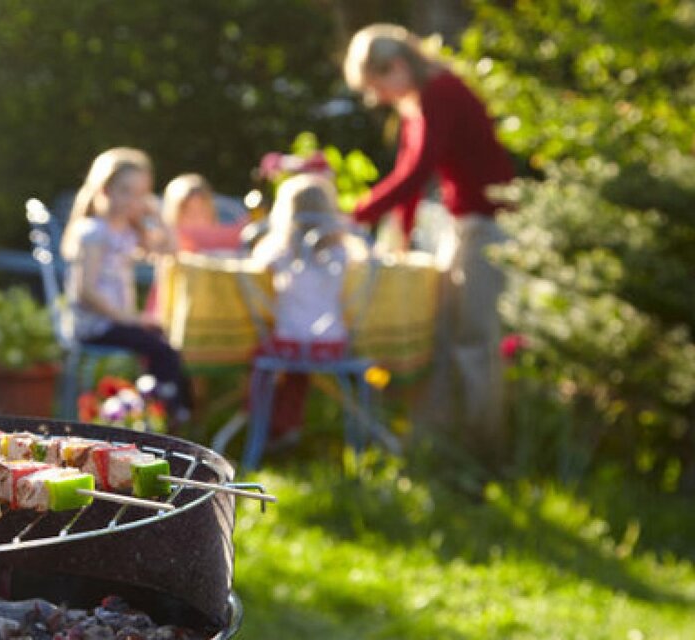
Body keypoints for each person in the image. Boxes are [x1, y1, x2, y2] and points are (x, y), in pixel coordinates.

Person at [343, 23, 515, 459]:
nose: (378, 97)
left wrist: (357, 213)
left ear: (398, 66)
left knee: (474, 338)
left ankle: (485, 450)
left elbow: (417, 170)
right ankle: (438, 439)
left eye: (378, 85)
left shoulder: (441, 92)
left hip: (487, 224)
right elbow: (413, 178)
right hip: (460, 224)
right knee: (439, 330)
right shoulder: (417, 101)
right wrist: (399, 234)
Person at [61, 147, 193, 422]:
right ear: (105, 190)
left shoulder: (129, 231)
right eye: (126, 191)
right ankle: (168, 411)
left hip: (119, 322)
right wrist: (129, 319)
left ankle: (159, 408)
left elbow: (172, 250)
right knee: (160, 348)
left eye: (141, 193)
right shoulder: (94, 232)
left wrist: (157, 216)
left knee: (167, 341)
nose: (133, 200)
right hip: (95, 325)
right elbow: (85, 291)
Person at [247, 172, 355, 443]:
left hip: (289, 341)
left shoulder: (279, 250)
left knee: (260, 357)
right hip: (331, 343)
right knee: (297, 369)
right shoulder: (342, 251)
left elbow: (253, 266)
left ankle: (259, 419)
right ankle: (287, 423)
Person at [160, 173, 247, 254]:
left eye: (202, 211)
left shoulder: (230, 241)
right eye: (189, 213)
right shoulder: (163, 244)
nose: (197, 218)